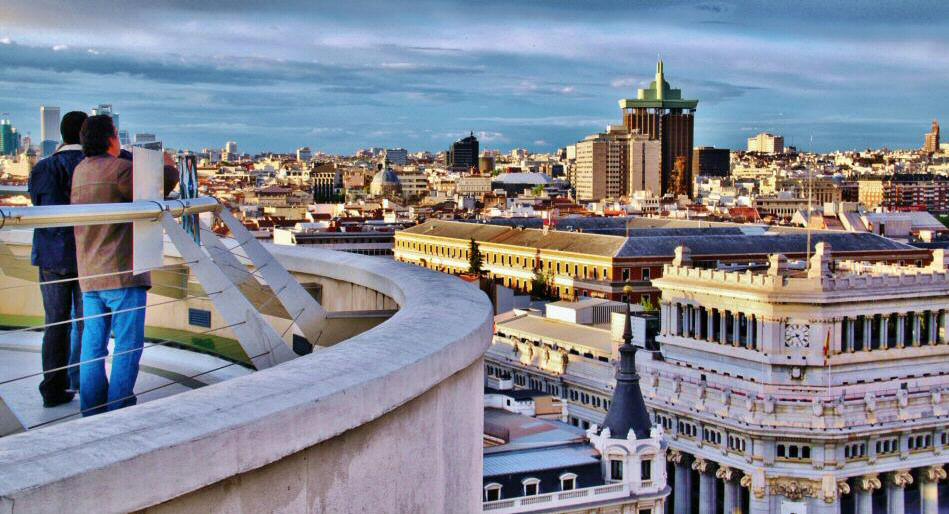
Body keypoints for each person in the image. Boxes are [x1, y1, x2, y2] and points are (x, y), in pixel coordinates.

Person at [71, 115, 179, 416]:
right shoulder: (118, 170)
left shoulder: (80, 171)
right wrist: (167, 163)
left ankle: (91, 410)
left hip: (90, 273)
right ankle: (119, 408)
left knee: (92, 348)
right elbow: (160, 184)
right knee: (127, 346)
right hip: (122, 272)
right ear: (111, 138)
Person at [28, 111, 89, 407]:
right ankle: (84, 383)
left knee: (55, 324)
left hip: (52, 256)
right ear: (85, 134)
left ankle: (53, 389)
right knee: (88, 323)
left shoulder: (43, 167)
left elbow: (39, 206)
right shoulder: (92, 166)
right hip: (88, 254)